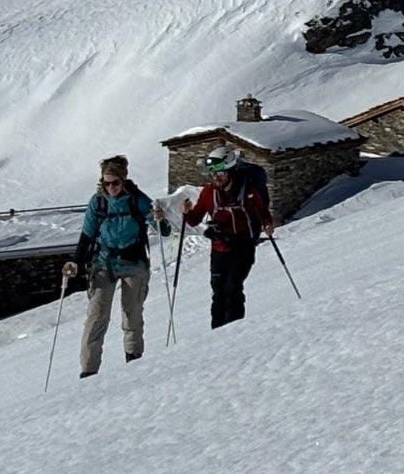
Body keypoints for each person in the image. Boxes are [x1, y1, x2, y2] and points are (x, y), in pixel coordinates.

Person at [63, 155, 168, 378]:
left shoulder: (137, 199)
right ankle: (89, 371)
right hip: (104, 264)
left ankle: (134, 361)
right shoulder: (98, 202)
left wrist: (159, 218)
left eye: (115, 183)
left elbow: (164, 229)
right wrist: (76, 261)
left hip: (134, 263)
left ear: (123, 180)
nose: (110, 188)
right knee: (96, 318)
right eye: (106, 183)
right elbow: (87, 236)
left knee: (132, 315)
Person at [181, 145, 274, 329]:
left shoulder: (247, 189)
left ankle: (233, 333)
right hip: (219, 248)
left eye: (221, 173)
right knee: (218, 293)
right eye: (213, 173)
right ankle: (217, 334)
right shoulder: (209, 193)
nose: (216, 177)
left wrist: (267, 224)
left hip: (243, 246)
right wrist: (187, 213)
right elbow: (194, 219)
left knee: (233, 288)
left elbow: (262, 212)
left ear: (230, 170)